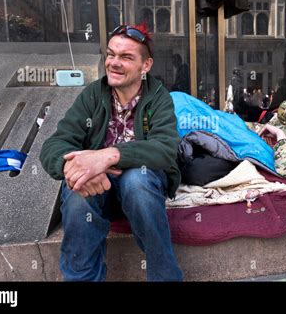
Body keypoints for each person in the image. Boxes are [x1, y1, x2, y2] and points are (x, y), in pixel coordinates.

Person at [39, 23, 183, 281]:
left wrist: (106, 156)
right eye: (110, 54)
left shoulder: (159, 98)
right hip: (98, 187)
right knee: (77, 189)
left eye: (126, 57)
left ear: (146, 66)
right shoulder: (93, 95)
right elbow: (54, 145)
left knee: (137, 180)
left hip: (140, 186)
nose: (114, 63)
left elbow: (165, 149)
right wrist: (75, 167)